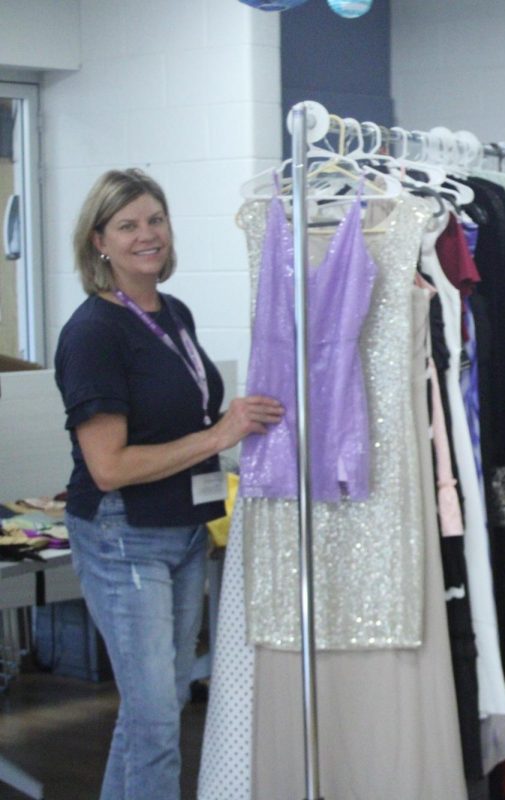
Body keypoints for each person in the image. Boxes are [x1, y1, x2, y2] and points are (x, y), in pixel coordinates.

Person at [54, 168, 283, 800]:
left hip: (182, 528)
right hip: (123, 536)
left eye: (155, 220)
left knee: (158, 706)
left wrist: (233, 432)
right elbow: (110, 466)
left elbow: (186, 418)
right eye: (127, 225)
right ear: (99, 240)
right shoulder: (93, 333)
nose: (147, 235)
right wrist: (219, 435)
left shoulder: (171, 310)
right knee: (156, 718)